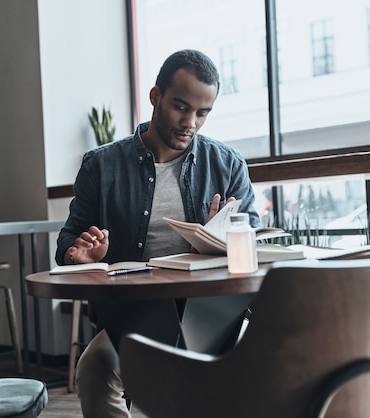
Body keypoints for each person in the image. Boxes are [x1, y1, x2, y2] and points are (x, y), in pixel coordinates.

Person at [55, 49, 261, 418]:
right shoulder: (101, 166)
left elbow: (251, 247)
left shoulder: (228, 165)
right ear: (155, 97)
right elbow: (68, 244)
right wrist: (80, 254)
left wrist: (225, 241)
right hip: (137, 316)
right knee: (94, 370)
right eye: (181, 107)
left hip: (212, 314)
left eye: (203, 113)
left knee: (251, 371)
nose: (191, 123)